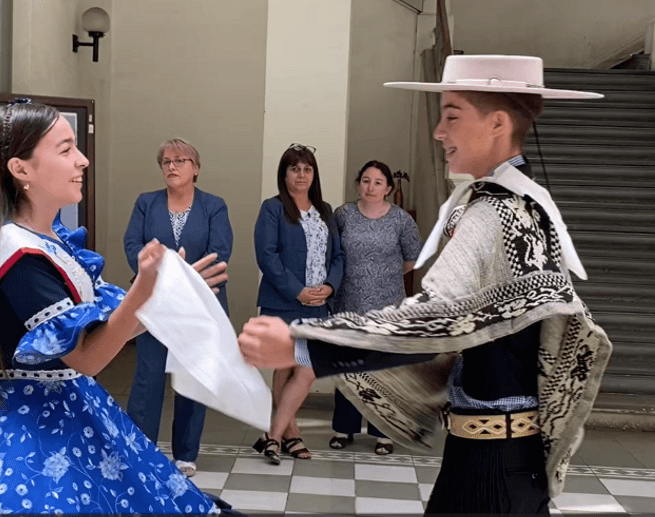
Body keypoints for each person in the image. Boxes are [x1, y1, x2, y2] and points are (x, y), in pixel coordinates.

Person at [238, 55, 613, 514]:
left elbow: (437, 322)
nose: (439, 131)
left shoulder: (494, 213)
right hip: (506, 452)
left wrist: (301, 346)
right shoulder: (529, 204)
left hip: (490, 467)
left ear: (497, 124)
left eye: (452, 116)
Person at [0, 100, 233, 515]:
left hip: (64, 407)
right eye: (65, 150)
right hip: (26, 428)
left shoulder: (50, 240)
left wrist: (162, 301)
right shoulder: (19, 252)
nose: (82, 160)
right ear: (21, 169)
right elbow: (85, 357)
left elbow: (102, 330)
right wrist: (142, 293)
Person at [124, 138, 233, 478]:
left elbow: (219, 252)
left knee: (191, 378)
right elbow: (133, 246)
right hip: (153, 302)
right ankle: (142, 451)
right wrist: (165, 276)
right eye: (166, 161)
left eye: (180, 160)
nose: (171, 166)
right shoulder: (146, 203)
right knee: (148, 379)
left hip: (199, 305)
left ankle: (185, 455)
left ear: (195, 168)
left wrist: (177, 278)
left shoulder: (214, 206)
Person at [251, 144, 344, 464]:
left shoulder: (326, 210)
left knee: (305, 370)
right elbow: (267, 255)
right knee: (283, 369)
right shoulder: (273, 208)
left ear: (314, 174)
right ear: (285, 174)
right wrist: (297, 291)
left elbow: (338, 256)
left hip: (319, 305)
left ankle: (272, 436)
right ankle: (289, 435)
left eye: (307, 169)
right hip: (284, 302)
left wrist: (330, 287)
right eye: (295, 168)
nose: (301, 175)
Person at [329, 160, 421, 456]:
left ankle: (383, 432)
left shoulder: (401, 219)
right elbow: (333, 255)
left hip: (387, 305)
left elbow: (412, 260)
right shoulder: (342, 215)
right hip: (348, 303)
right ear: (358, 184)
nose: (371, 187)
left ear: (389, 189)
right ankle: (344, 428)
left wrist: (381, 277)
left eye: (378, 182)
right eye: (366, 180)